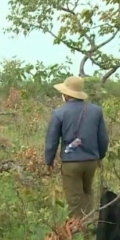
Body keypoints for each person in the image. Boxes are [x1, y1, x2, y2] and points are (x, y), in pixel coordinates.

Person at [45, 76, 109, 219]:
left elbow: (52, 140)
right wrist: (100, 157)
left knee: (74, 199)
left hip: (71, 163)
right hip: (91, 161)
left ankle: (80, 234)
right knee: (87, 194)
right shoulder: (96, 111)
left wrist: (49, 161)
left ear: (67, 94)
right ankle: (90, 227)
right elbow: (103, 139)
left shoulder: (59, 113)